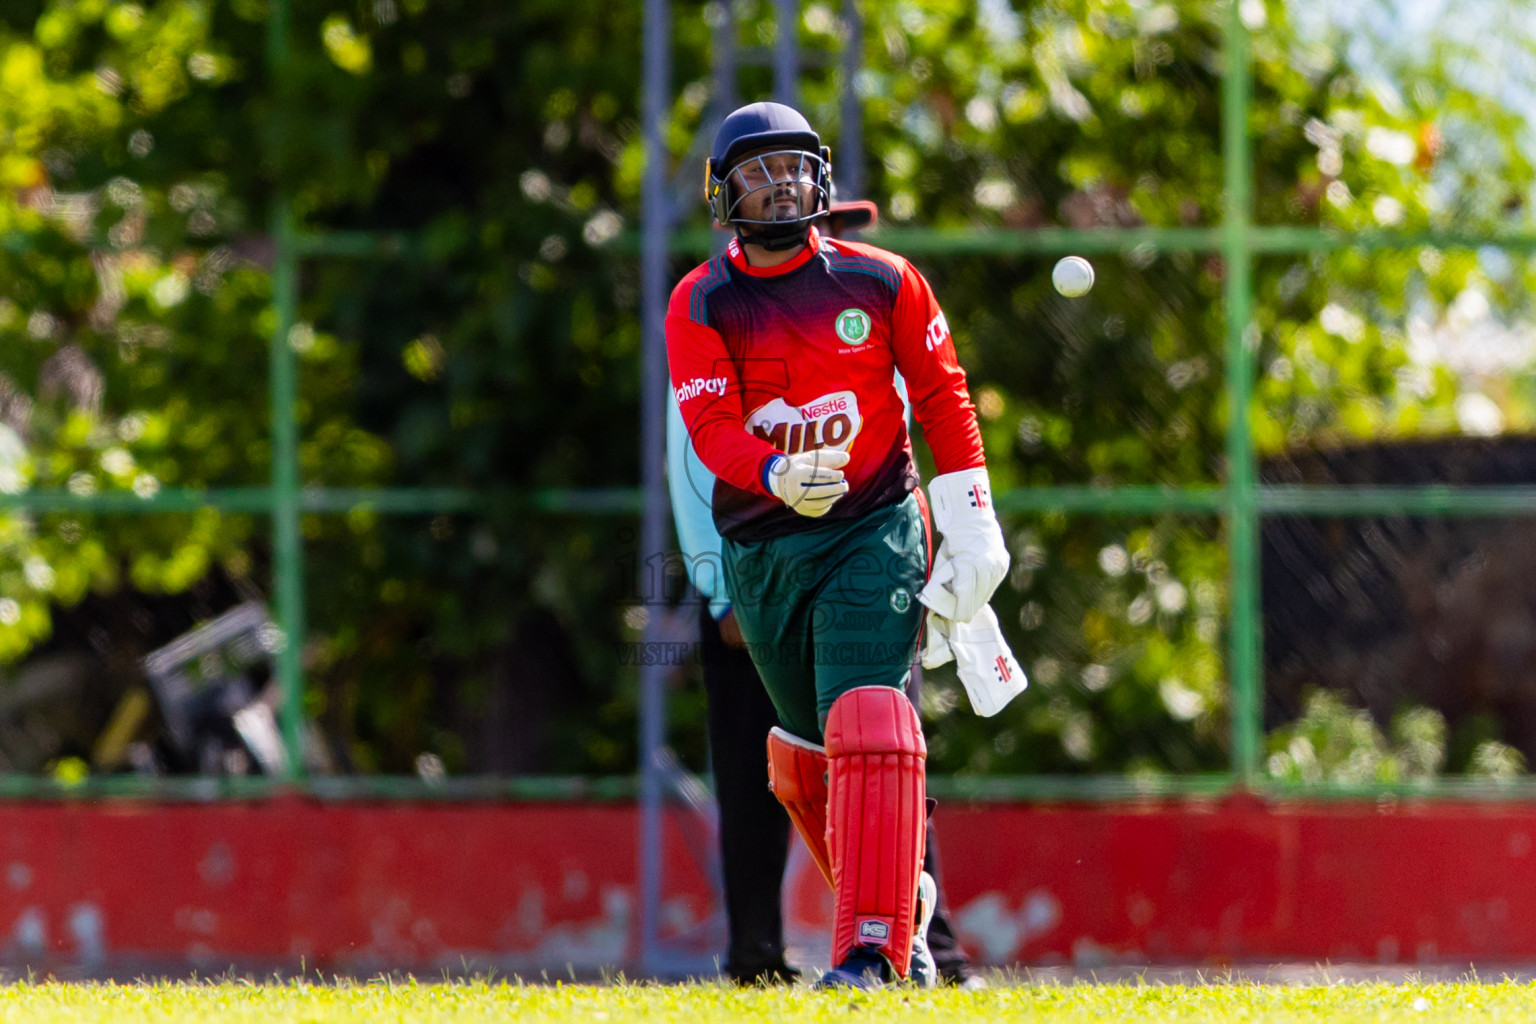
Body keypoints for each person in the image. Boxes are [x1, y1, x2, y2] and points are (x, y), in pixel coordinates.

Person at [665, 101, 1010, 989]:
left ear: (820, 174)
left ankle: (869, 953)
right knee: (808, 759)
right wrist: (773, 474)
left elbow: (941, 396)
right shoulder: (702, 301)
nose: (781, 186)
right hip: (762, 550)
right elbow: (706, 428)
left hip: (873, 525)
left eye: (793, 167)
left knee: (870, 717)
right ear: (722, 194)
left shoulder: (886, 281)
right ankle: (908, 911)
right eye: (757, 172)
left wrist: (970, 515)